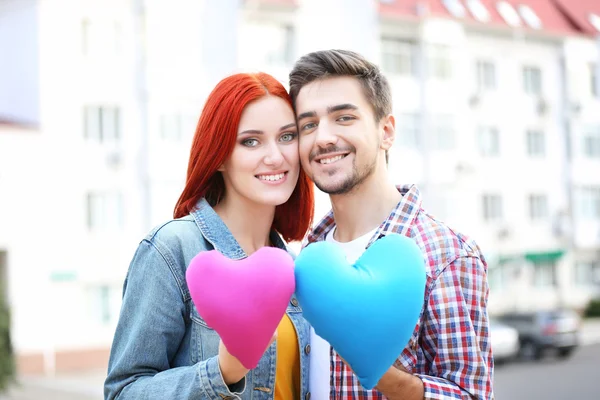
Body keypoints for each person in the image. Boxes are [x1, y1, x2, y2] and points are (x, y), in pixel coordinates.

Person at [289, 49, 494, 399]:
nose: (322, 137)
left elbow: (471, 394)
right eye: (308, 124)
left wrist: (377, 369)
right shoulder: (303, 259)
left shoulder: (447, 255)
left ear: (386, 131)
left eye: (343, 118)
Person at [104, 72, 314, 400]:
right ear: (219, 156)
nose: (275, 156)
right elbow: (123, 392)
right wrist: (223, 372)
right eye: (251, 141)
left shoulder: (295, 267)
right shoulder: (172, 250)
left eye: (287, 137)